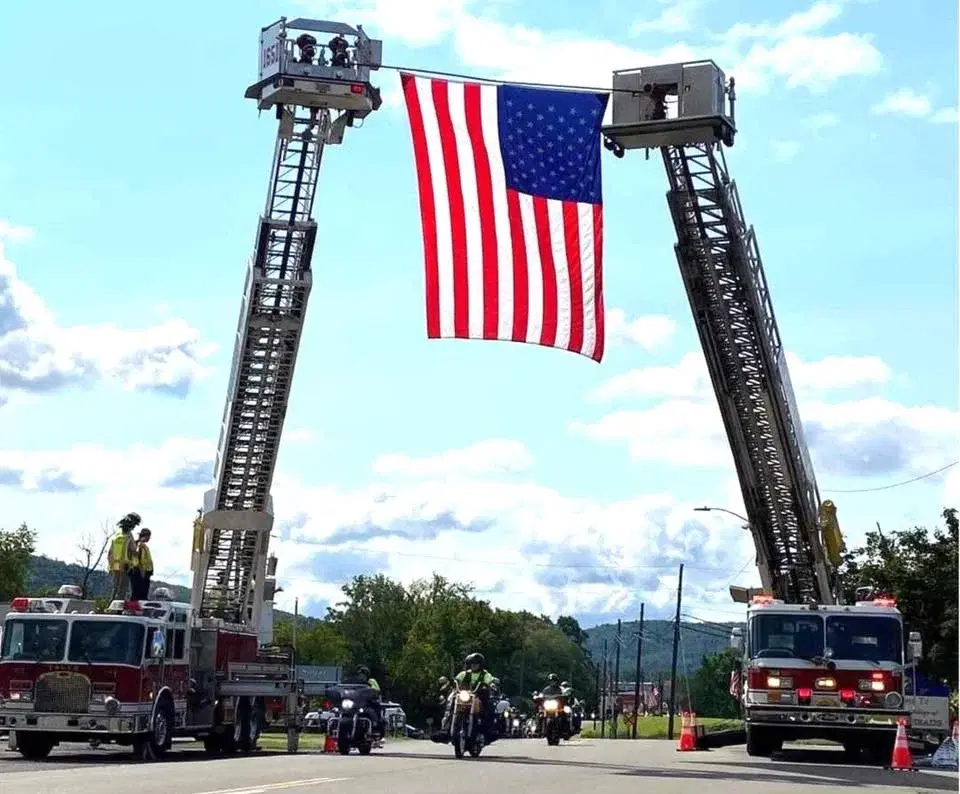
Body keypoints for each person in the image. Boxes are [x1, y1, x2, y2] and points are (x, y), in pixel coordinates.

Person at [452, 652, 497, 737]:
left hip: (479, 696)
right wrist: (453, 683)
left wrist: (491, 685)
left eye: (476, 663)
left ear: (480, 665)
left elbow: (490, 681)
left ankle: (488, 730)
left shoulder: (485, 674)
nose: (474, 665)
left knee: (489, 706)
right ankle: (446, 727)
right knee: (450, 701)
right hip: (464, 695)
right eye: (472, 663)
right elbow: (456, 680)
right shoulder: (465, 673)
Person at [108, 513, 140, 600]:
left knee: (115, 587)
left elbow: (110, 552)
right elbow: (133, 550)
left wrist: (110, 566)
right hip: (125, 566)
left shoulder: (117, 535)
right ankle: (117, 608)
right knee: (122, 589)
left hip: (115, 566)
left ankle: (111, 605)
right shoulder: (129, 535)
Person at [130, 528, 153, 600]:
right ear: (146, 536)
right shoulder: (140, 545)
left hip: (144, 571)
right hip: (140, 572)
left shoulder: (141, 545)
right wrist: (142, 571)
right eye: (149, 536)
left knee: (140, 593)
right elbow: (139, 559)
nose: (149, 538)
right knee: (139, 594)